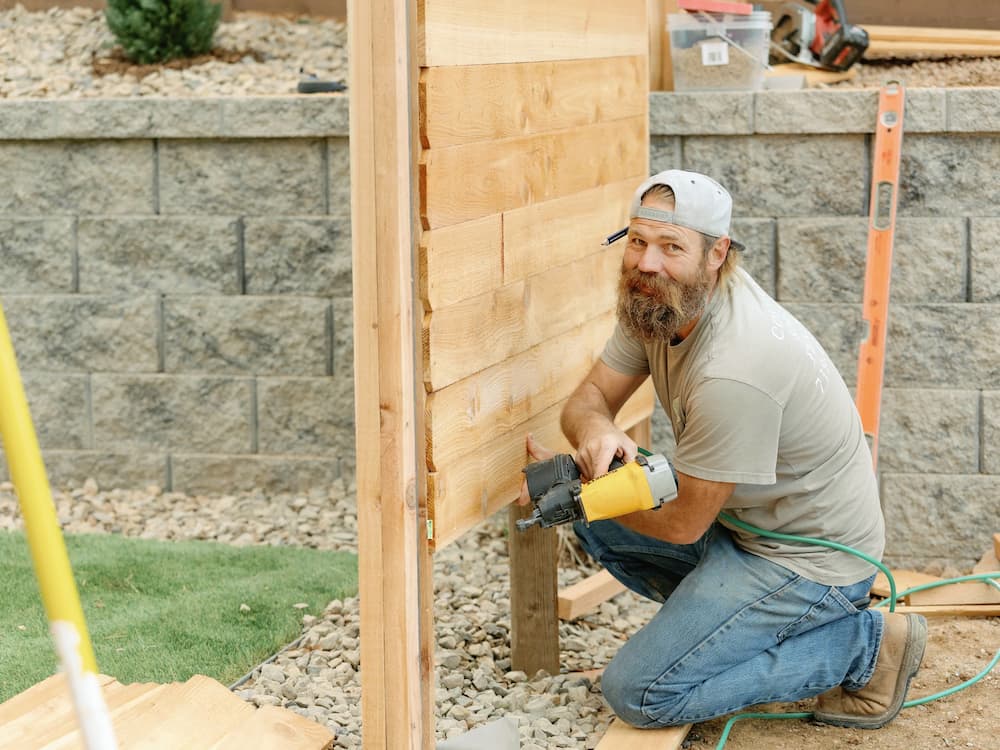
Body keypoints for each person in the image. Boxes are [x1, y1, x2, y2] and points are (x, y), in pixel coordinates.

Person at [519, 169, 927, 730]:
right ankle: (728, 625)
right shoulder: (656, 303)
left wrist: (584, 494)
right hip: (741, 529)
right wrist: (595, 436)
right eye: (637, 241)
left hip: (807, 562)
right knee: (589, 507)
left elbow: (684, 523)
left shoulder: (735, 367)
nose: (646, 262)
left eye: (671, 247)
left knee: (638, 692)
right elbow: (588, 399)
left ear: (717, 254)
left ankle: (862, 647)